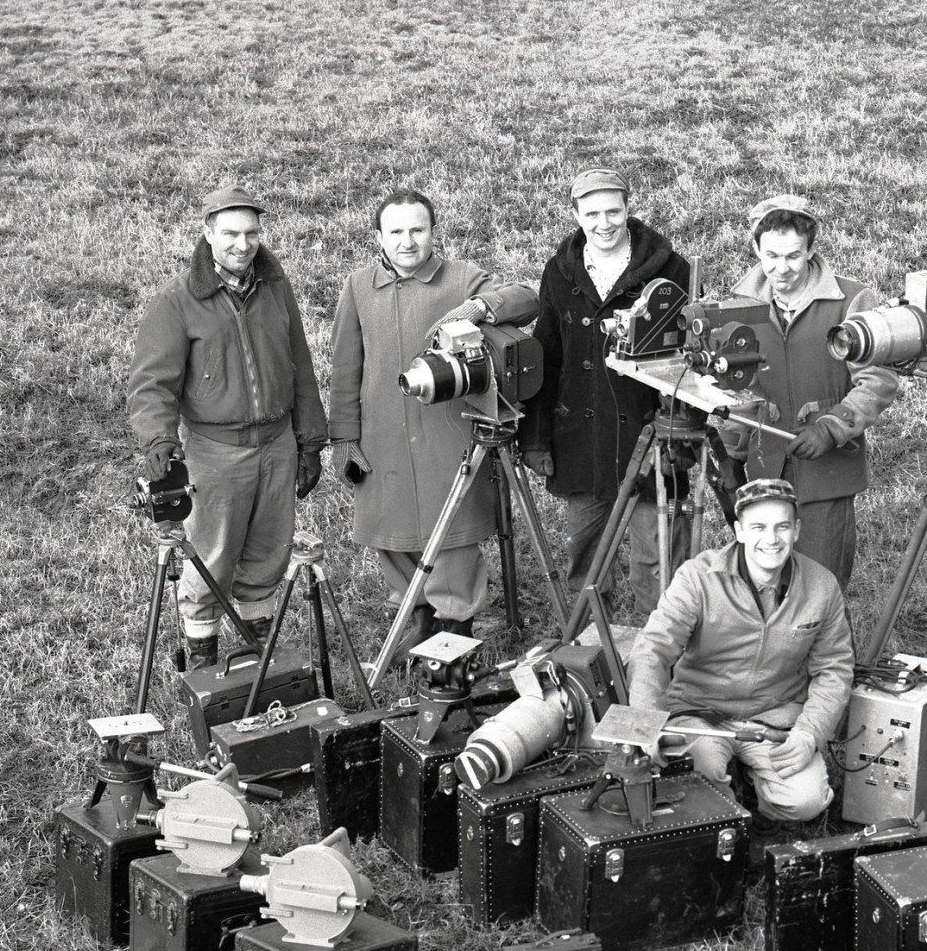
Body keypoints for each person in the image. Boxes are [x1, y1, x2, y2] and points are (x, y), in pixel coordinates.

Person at [326, 187, 539, 642]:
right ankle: (415, 622)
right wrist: (344, 435)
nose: (408, 241)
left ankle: (455, 627)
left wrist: (482, 307)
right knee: (391, 532)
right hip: (381, 437)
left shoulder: (461, 278)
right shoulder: (358, 287)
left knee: (455, 536)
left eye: (418, 229)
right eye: (396, 231)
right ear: (378, 237)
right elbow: (345, 368)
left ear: (433, 231)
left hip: (449, 438)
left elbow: (526, 298)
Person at [128, 186, 328, 669]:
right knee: (210, 561)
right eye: (231, 234)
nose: (243, 244)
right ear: (208, 233)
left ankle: (258, 656)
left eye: (252, 233)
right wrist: (159, 438)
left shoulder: (277, 289)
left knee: (268, 553)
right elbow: (152, 383)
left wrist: (310, 442)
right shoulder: (176, 302)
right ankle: (203, 664)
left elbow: (299, 365)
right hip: (215, 453)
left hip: (277, 445)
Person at [520, 166, 696, 622]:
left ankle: (661, 653)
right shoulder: (559, 273)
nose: (604, 223)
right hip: (580, 440)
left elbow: (692, 359)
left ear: (627, 209)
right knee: (587, 558)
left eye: (613, 211)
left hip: (652, 441)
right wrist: (537, 438)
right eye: (592, 213)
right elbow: (548, 357)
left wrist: (684, 436)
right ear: (576, 214)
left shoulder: (671, 270)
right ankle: (589, 649)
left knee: (657, 561)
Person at [630, 478, 853, 826]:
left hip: (774, 718)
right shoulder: (698, 578)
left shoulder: (822, 586)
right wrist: (645, 722)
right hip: (700, 714)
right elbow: (652, 650)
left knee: (806, 802)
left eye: (782, 527)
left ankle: (755, 799)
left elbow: (834, 669)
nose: (772, 539)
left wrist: (809, 733)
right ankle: (729, 817)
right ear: (740, 531)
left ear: (797, 529)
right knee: (700, 784)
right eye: (759, 527)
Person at [718, 195, 900, 585]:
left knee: (821, 585)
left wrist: (831, 428)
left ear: (812, 250)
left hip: (827, 471)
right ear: (754, 248)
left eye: (792, 256)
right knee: (767, 582)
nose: (780, 269)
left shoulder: (852, 300)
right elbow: (737, 389)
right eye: (770, 256)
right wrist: (732, 454)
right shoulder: (738, 305)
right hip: (764, 469)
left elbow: (879, 380)